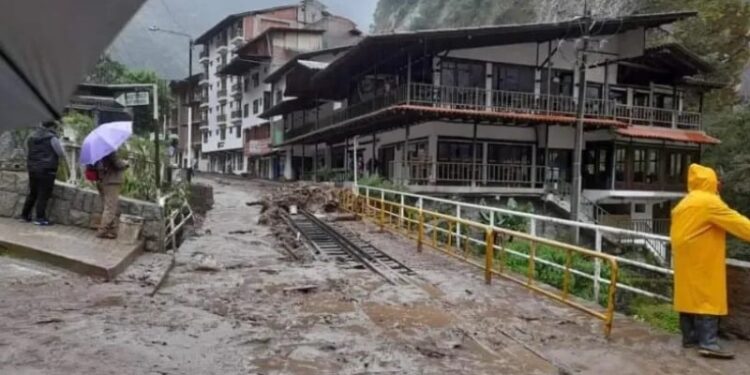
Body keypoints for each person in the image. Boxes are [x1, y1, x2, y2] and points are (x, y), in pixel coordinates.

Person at [671, 164, 750, 359]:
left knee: (688, 295)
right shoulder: (709, 202)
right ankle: (708, 343)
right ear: (711, 182)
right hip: (703, 259)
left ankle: (689, 338)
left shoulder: (684, 203)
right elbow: (739, 224)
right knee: (708, 297)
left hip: (684, 259)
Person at [21, 121, 67, 225]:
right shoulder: (52, 138)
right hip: (47, 170)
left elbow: (26, 150)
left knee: (33, 193)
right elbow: (60, 153)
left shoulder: (31, 136)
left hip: (32, 168)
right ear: (52, 127)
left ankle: (24, 215)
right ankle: (40, 218)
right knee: (43, 194)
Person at [95, 152, 129, 239]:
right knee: (110, 208)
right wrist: (126, 163)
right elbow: (118, 164)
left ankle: (112, 230)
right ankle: (102, 231)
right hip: (111, 181)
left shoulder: (99, 149)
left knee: (109, 206)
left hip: (103, 180)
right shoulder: (109, 149)